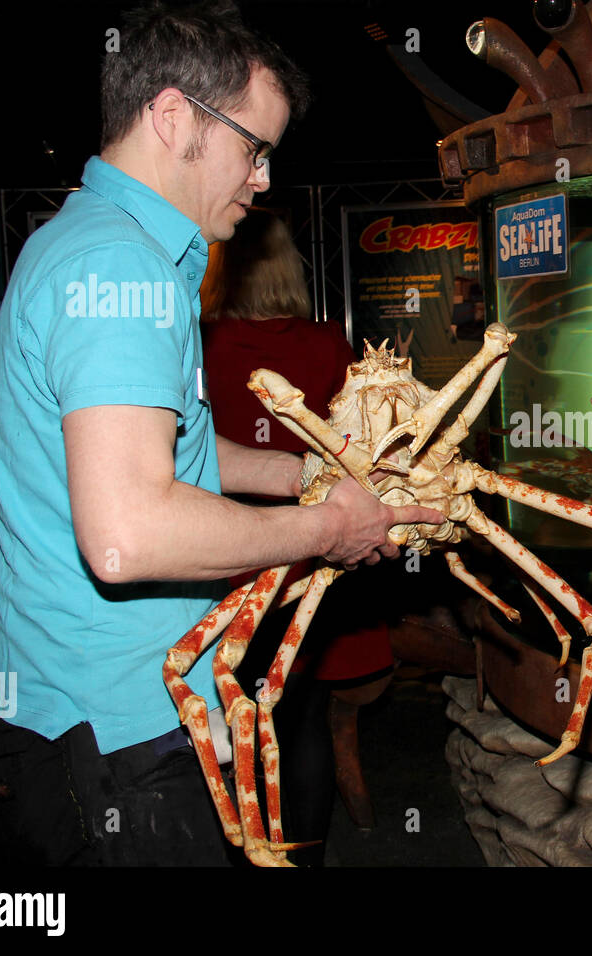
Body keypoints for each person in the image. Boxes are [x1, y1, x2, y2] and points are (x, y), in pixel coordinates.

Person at [0, 1, 442, 866]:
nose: (262, 180)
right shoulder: (121, 267)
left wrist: (304, 474)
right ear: (175, 115)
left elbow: (158, 453)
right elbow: (126, 536)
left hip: (61, 707)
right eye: (253, 148)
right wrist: (332, 529)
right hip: (108, 736)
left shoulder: (82, 240)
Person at [200, 207, 395, 863]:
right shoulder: (327, 345)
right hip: (317, 549)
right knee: (302, 713)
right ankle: (304, 857)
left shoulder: (203, 344)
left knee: (242, 714)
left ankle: (248, 850)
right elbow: (361, 451)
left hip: (232, 554)